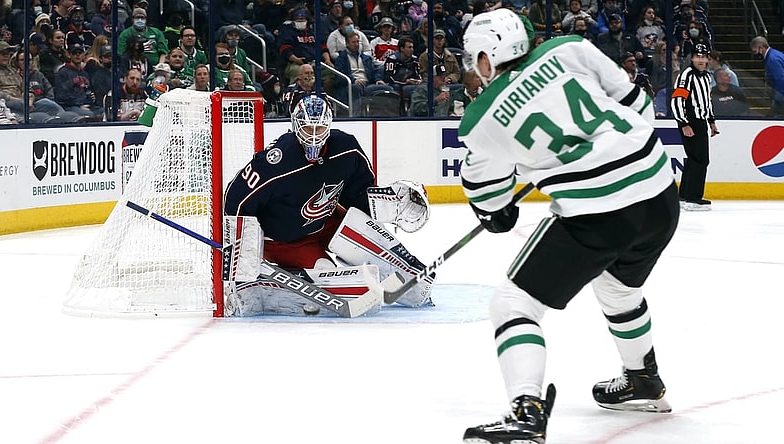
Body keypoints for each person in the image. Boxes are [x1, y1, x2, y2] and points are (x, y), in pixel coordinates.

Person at [458, 9, 678, 444]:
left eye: (473, 59)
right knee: (618, 288)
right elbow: (636, 108)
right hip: (659, 192)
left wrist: (500, 209)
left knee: (513, 304)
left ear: (487, 58)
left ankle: (526, 412)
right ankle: (643, 379)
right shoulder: (570, 48)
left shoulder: (481, 120)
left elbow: (493, 207)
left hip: (600, 214)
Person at [223, 95, 434, 315]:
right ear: (296, 125)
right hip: (286, 241)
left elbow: (358, 194)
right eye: (307, 129)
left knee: (413, 280)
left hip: (327, 222)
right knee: (332, 280)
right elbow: (235, 199)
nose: (314, 137)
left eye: (320, 129)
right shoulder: (276, 161)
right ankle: (274, 279)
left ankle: (412, 289)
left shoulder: (346, 148)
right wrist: (241, 255)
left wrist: (389, 204)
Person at [671, 40, 718, 211]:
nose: (700, 60)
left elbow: (706, 101)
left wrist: (711, 121)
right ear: (692, 58)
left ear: (707, 59)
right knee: (701, 160)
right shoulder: (687, 75)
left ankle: (684, 195)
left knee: (694, 159)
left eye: (703, 57)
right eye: (697, 56)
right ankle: (693, 198)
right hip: (690, 121)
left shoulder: (706, 77)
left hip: (701, 122)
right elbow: (677, 101)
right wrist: (683, 123)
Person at [334, 32, 393, 112]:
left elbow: (374, 71)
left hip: (367, 84)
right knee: (356, 88)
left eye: (358, 42)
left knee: (388, 88)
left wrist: (378, 79)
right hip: (350, 85)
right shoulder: (341, 59)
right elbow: (340, 75)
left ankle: (388, 117)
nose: (357, 44)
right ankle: (355, 117)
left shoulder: (366, 58)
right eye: (354, 42)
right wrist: (354, 80)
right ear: (347, 44)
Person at [750, 36, 784, 117]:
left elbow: (780, 80)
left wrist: (777, 97)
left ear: (761, 48)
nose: (755, 54)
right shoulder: (775, 54)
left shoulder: (772, 59)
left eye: (755, 51)